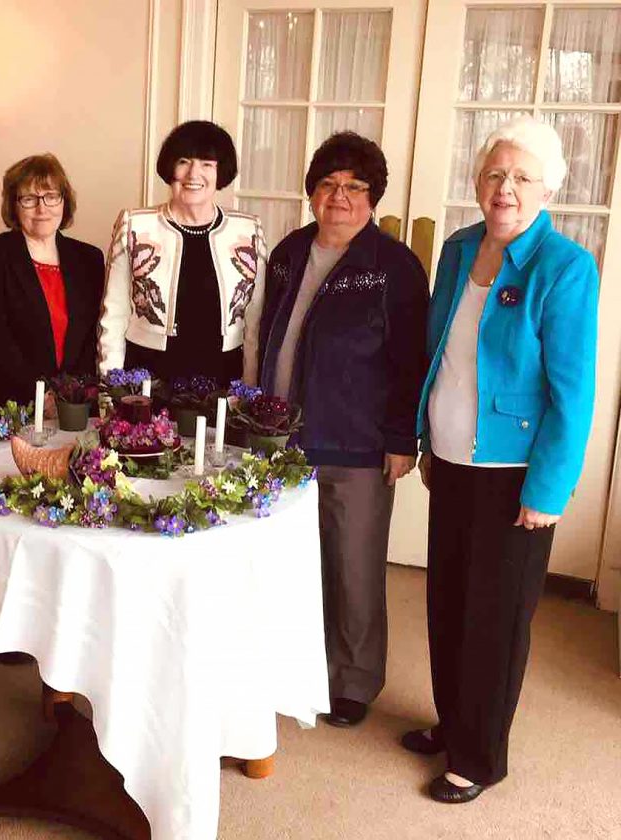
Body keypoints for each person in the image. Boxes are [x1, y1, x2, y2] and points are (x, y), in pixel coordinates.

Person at [404, 116, 598, 803]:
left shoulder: (565, 267)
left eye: (520, 176)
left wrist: (549, 489)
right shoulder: (460, 248)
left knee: (496, 617)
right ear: (478, 180)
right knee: (448, 601)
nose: (504, 188)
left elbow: (573, 393)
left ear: (547, 188)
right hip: (452, 456)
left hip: (514, 475)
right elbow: (441, 355)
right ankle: (455, 721)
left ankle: (479, 757)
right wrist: (427, 440)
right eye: (494, 174)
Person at [258, 132, 429, 728]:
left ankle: (352, 682)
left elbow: (411, 362)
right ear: (311, 193)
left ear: (373, 198)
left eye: (355, 187)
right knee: (289, 565)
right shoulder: (288, 252)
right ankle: (296, 667)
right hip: (281, 442)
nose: (340, 197)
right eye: (329, 185)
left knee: (353, 569)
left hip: (356, 445)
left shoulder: (394, 267)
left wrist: (401, 439)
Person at [98, 120, 265, 386]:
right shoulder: (135, 225)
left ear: (220, 172)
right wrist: (112, 389)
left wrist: (249, 389)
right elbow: (113, 316)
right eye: (184, 161)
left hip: (222, 380)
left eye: (207, 164)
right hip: (147, 379)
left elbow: (254, 326)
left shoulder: (248, 231)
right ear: (170, 168)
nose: (193, 174)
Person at [0, 153, 103, 419]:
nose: (41, 209)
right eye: (29, 199)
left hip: (73, 409)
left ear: (64, 201)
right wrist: (40, 396)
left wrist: (69, 395)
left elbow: (91, 341)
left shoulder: (89, 259)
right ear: (14, 205)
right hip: (6, 406)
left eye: (51, 196)